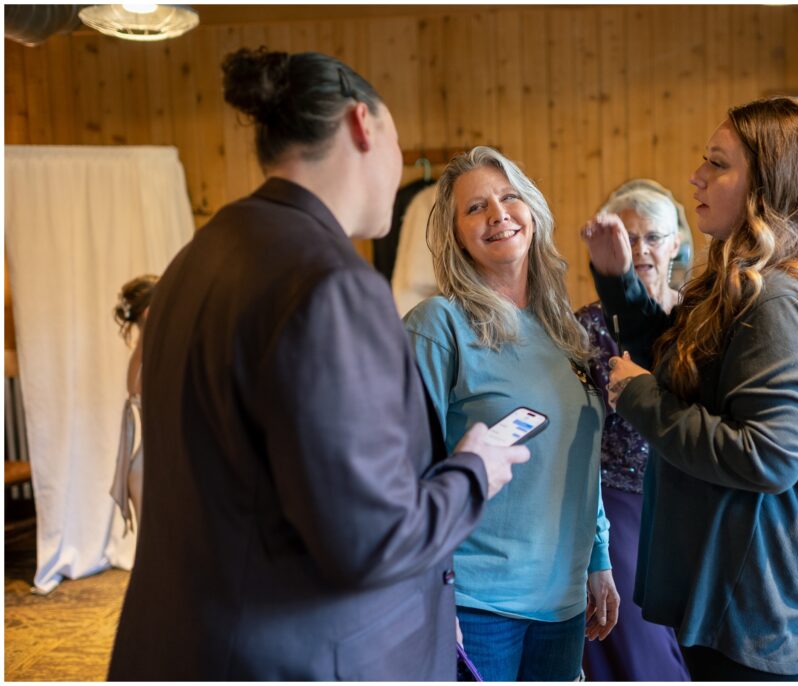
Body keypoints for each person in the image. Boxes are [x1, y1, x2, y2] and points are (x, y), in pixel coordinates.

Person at [107, 48, 529, 681]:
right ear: (365, 125)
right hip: (298, 654)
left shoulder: (202, 254)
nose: (397, 169)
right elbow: (369, 539)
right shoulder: (330, 283)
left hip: (186, 643)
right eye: (397, 142)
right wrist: (474, 471)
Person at [583, 96, 798, 681]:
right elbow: (687, 367)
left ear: (767, 185)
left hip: (753, 594)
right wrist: (619, 289)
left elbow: (767, 456)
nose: (696, 176)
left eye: (717, 164)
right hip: (732, 578)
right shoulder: (740, 281)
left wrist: (637, 396)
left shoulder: (777, 299)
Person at [403, 146, 619, 681]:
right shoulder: (438, 325)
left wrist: (597, 559)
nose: (497, 214)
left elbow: (580, 456)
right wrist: (429, 599)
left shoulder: (566, 332)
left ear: (533, 211)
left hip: (564, 604)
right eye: (475, 208)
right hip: (475, 603)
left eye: (508, 197)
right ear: (454, 235)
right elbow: (407, 475)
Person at [576, 181, 690, 681]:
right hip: (619, 495)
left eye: (653, 237)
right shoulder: (585, 327)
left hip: (690, 494)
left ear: (677, 244)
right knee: (638, 639)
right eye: (629, 237)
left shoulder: (697, 319)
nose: (641, 249)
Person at [109, 274, 157, 535]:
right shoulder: (153, 357)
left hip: (144, 465)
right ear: (150, 312)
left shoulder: (139, 355)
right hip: (155, 468)